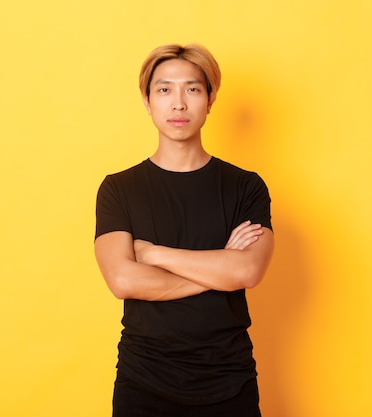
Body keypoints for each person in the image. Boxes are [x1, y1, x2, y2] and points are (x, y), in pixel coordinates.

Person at [94, 43, 274, 417]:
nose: (178, 103)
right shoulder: (118, 188)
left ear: (210, 100)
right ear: (147, 101)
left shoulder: (246, 187)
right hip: (143, 381)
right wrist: (220, 269)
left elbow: (248, 270)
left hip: (229, 380)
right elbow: (124, 282)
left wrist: (156, 255)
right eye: (164, 89)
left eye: (192, 89)